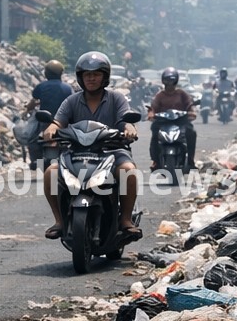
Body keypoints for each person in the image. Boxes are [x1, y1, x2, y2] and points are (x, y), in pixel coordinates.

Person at [40, 51, 140, 239]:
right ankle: (60, 221)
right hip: (77, 152)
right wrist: (50, 130)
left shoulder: (116, 98)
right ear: (81, 78)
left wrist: (129, 128)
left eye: (96, 74)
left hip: (112, 151)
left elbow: (125, 119)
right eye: (87, 75)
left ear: (105, 77)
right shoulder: (71, 100)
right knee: (50, 173)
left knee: (128, 170)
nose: (91, 79)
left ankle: (125, 219)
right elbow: (57, 122)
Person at [24, 60, 72, 170]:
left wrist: (27, 109)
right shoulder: (68, 88)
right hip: (63, 122)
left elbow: (32, 103)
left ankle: (35, 160)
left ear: (47, 73)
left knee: (32, 139)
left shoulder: (41, 86)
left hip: (45, 121)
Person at [147, 66, 196, 170]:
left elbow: (189, 104)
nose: (169, 84)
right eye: (167, 81)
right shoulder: (160, 95)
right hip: (163, 122)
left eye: (171, 81)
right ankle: (155, 160)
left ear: (176, 81)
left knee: (191, 133)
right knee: (155, 133)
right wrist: (151, 113)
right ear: (163, 81)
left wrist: (192, 111)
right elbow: (153, 107)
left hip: (181, 121)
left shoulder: (181, 93)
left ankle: (191, 160)